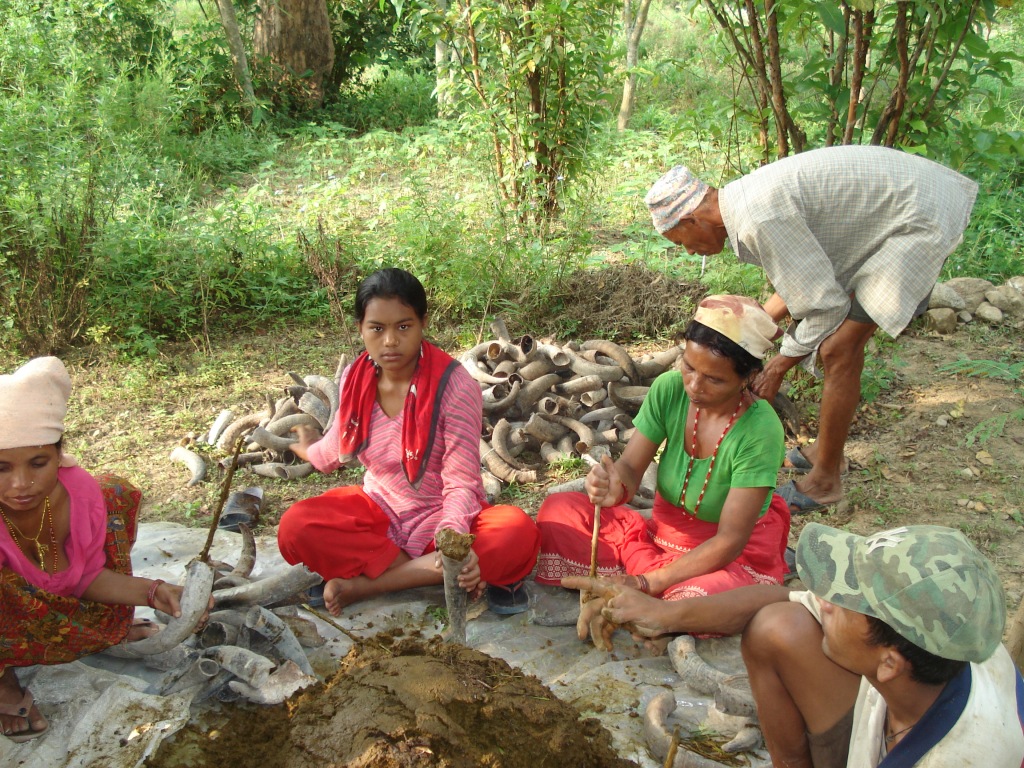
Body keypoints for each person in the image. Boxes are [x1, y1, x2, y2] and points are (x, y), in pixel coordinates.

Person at [644, 146, 979, 514]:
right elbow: (803, 281)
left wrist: (776, 367)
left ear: (692, 219)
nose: (690, 252)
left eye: (680, 242)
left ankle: (825, 480)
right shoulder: (744, 203)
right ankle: (824, 451)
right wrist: (747, 329)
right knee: (829, 339)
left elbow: (825, 305)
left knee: (839, 349)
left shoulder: (759, 219)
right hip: (899, 206)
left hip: (916, 216)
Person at [564, 523, 1024, 768]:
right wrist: (661, 613)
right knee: (775, 625)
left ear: (888, 662)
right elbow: (776, 598)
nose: (824, 600)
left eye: (845, 604)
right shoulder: (940, 642)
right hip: (885, 712)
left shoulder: (960, 758)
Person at [277, 268, 541, 618]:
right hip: (381, 512)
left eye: (403, 327)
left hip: (442, 516)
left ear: (422, 324)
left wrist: (452, 545)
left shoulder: (454, 385)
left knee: (515, 530)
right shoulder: (356, 379)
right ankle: (434, 575)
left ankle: (369, 583)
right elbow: (332, 450)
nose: (389, 341)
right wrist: (308, 449)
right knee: (296, 526)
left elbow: (462, 482)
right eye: (377, 329)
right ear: (361, 328)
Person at [534, 294, 790, 647]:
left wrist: (646, 583)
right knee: (557, 512)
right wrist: (613, 487)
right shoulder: (670, 390)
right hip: (658, 539)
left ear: (748, 377)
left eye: (714, 380)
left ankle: (653, 601)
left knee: (694, 599)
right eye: (688, 367)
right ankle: (648, 601)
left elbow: (730, 541)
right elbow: (629, 468)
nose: (694, 386)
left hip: (724, 558)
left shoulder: (760, 430)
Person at [0, 357, 193, 743]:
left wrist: (154, 592)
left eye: (38, 463)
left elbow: (84, 576)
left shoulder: (80, 493)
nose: (21, 484)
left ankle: (106, 624)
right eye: (0, 468)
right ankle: (4, 681)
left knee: (116, 493)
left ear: (59, 455)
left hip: (47, 600)